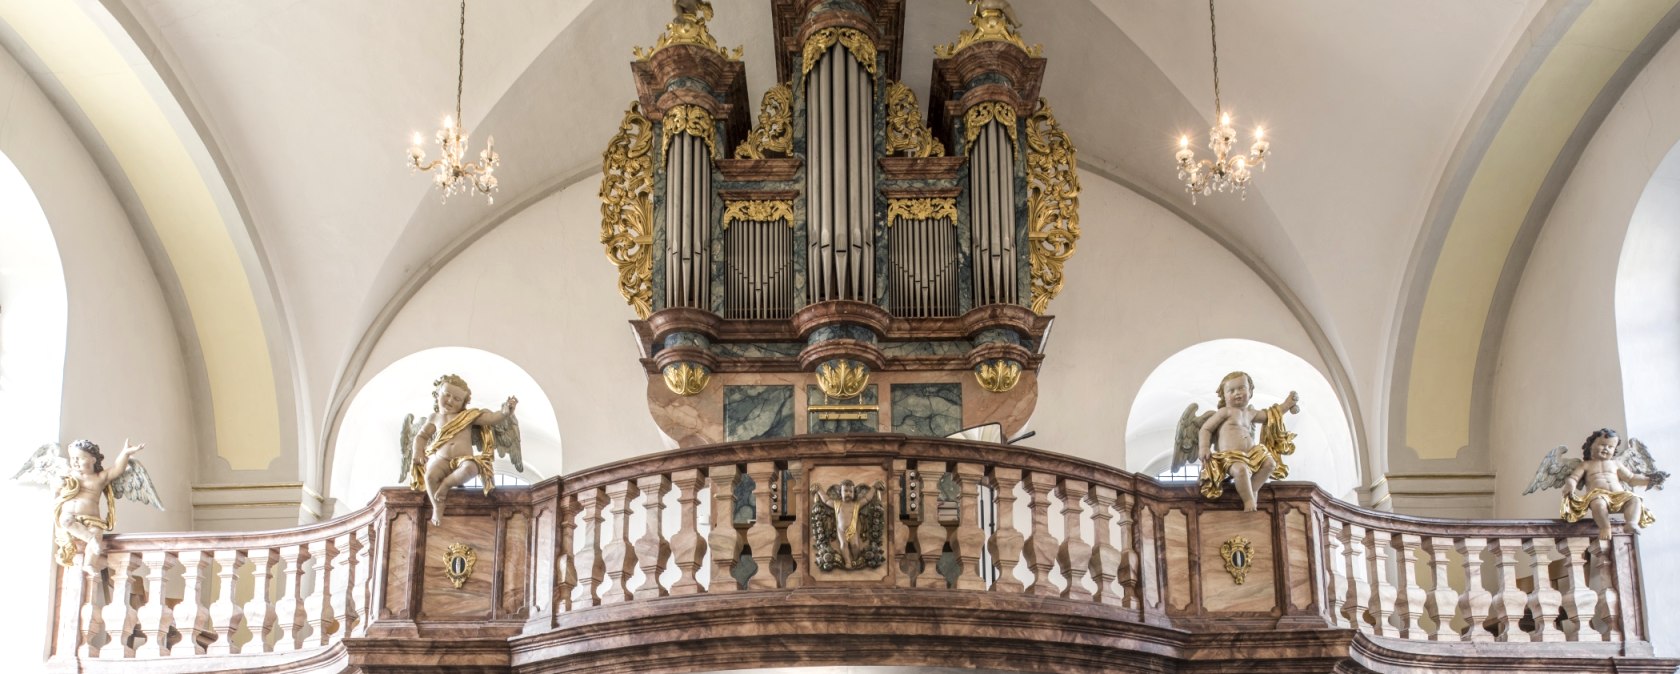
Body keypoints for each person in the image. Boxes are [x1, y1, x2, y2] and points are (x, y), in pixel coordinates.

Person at [410, 374, 517, 525]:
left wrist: (505, 412)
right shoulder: (434, 417)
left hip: (463, 459)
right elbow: (421, 437)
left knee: (470, 470)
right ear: (437, 394)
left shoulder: (467, 416)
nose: (450, 401)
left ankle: (446, 485)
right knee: (430, 476)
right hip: (441, 458)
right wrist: (417, 451)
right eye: (447, 395)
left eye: (457, 399)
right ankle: (437, 506)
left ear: (463, 403)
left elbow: (491, 418)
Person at [1197, 372, 1300, 512]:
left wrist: (1287, 404)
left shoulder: (1250, 413)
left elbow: (1270, 415)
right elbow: (1206, 429)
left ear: (1250, 391)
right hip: (1231, 457)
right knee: (1241, 470)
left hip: (1252, 454)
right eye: (1231, 390)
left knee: (1270, 464)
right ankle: (1248, 499)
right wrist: (1204, 447)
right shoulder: (1225, 412)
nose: (1237, 393)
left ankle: (1250, 489)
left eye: (1241, 388)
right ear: (1224, 396)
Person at [1562, 428, 1661, 541]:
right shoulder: (1586, 465)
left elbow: (1631, 478)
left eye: (1610, 447)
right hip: (1598, 495)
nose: (1606, 449)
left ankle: (1631, 523)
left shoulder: (1615, 464)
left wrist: (1648, 480)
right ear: (1591, 446)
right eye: (1603, 445)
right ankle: (1605, 527)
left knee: (1635, 499)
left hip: (1619, 495)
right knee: (1599, 505)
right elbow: (1573, 478)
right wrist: (1570, 485)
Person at [54, 439, 145, 561]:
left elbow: (117, 469)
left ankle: (89, 564)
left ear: (93, 460)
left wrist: (125, 453)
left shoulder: (99, 478)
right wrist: (59, 483)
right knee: (66, 521)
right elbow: (56, 490)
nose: (75, 462)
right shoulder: (69, 475)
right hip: (69, 515)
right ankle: (90, 539)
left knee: (97, 534)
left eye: (80, 458)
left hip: (92, 519)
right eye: (73, 458)